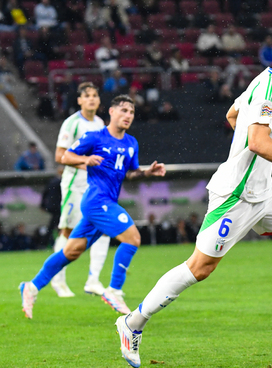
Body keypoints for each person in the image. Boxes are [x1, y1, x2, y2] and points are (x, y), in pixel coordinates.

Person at [114, 29, 272, 368]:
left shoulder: (266, 84)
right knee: (199, 268)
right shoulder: (269, 89)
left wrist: (268, 162)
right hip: (235, 195)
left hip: (263, 192)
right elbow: (255, 141)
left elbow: (233, 116)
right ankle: (132, 322)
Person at [19, 95, 166, 319]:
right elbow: (66, 156)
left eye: (132, 112)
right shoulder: (95, 137)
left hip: (108, 202)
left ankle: (31, 287)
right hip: (97, 201)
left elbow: (129, 173)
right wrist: (84, 161)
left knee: (71, 251)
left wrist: (147, 172)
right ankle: (114, 290)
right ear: (112, 112)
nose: (128, 116)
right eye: (124, 110)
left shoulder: (131, 143)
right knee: (133, 238)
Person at [48, 82, 111, 297]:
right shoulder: (72, 123)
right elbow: (59, 156)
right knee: (68, 231)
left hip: (96, 186)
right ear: (79, 100)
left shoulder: (101, 123)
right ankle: (58, 280)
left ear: (99, 100)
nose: (92, 99)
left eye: (95, 95)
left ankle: (93, 280)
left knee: (103, 229)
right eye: (87, 96)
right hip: (75, 185)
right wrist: (85, 161)